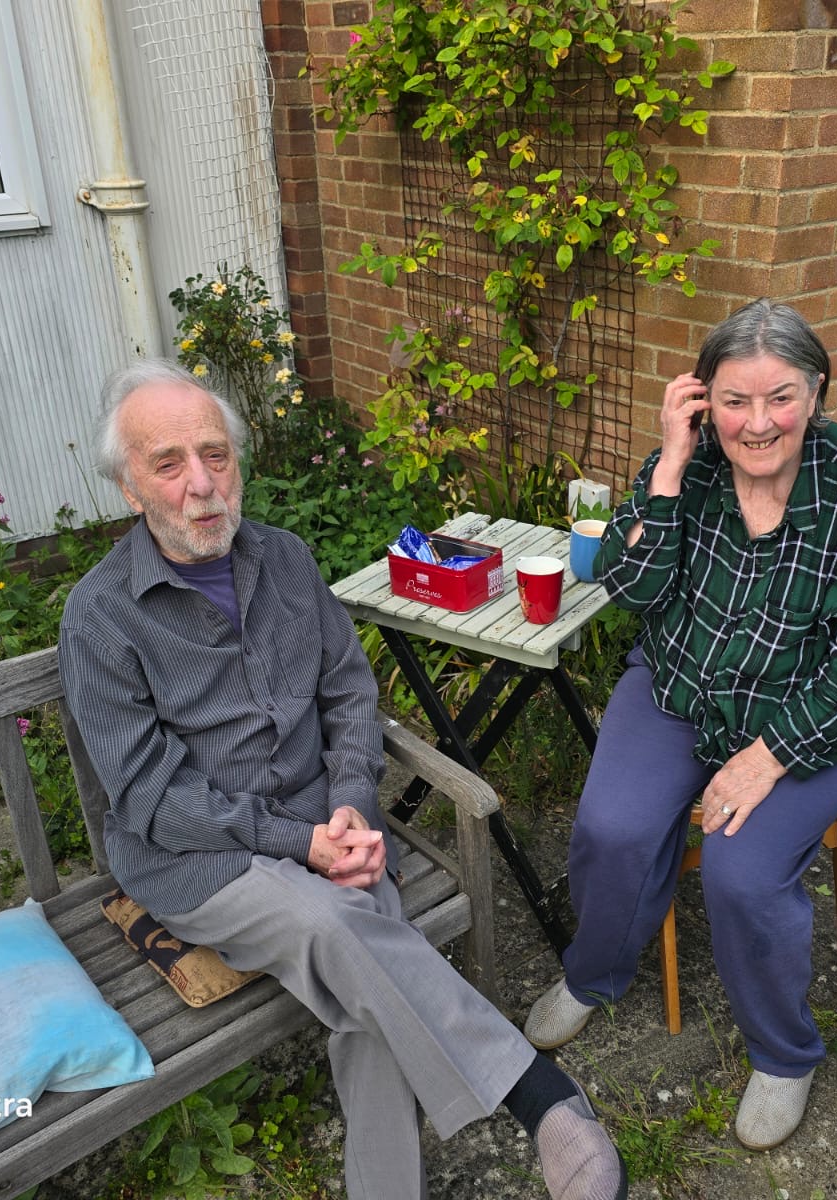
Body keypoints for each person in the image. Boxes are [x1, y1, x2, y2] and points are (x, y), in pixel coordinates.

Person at [59, 361, 627, 1200]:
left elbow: (349, 696)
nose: (201, 485)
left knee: (362, 971)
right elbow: (151, 798)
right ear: (128, 485)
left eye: (215, 454)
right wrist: (304, 844)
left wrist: (353, 808)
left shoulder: (285, 559)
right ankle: (537, 1095)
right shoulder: (101, 616)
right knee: (336, 921)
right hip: (200, 858)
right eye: (169, 463)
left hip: (328, 825)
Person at [522, 300, 837, 1150]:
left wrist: (771, 755)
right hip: (679, 684)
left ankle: (784, 1053)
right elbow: (630, 587)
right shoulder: (686, 465)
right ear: (703, 399)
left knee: (742, 872)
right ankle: (593, 974)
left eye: (780, 398)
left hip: (813, 710)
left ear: (816, 392)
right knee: (613, 828)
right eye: (735, 401)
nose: (757, 423)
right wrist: (669, 466)